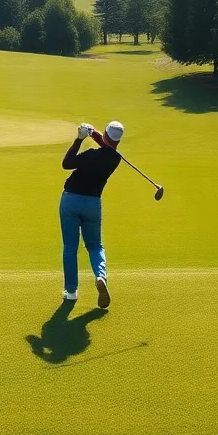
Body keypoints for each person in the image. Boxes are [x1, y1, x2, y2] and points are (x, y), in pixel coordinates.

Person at [59, 120, 124, 308]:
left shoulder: (89, 155)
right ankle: (101, 276)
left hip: (70, 201)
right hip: (93, 204)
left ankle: (71, 292)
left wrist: (79, 139)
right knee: (95, 246)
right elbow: (108, 147)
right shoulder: (116, 159)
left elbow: (66, 163)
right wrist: (93, 132)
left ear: (105, 134)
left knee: (70, 248)